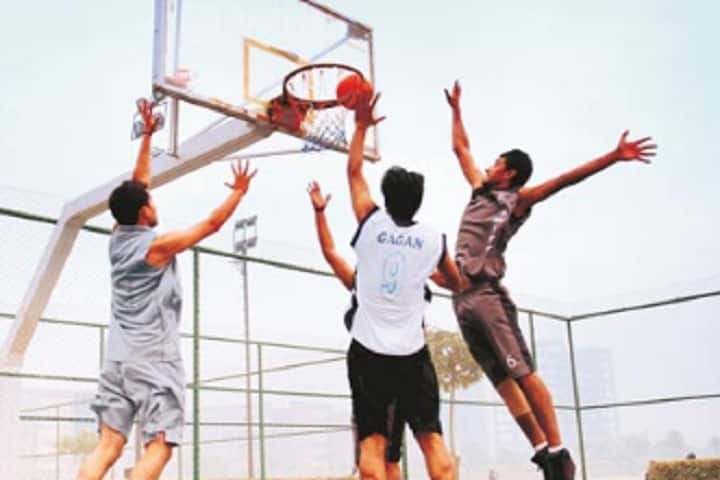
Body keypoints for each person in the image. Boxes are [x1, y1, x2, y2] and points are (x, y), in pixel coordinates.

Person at [443, 81, 656, 480]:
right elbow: (460, 148)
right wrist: (456, 109)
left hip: (487, 296)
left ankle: (560, 451)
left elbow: (564, 180)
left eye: (495, 163)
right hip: (461, 299)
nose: (488, 165)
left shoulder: (516, 200)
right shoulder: (478, 191)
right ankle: (542, 450)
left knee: (522, 372)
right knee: (501, 380)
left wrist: (613, 156)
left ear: (509, 173)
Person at [77, 99, 258, 480]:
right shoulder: (157, 248)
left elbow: (139, 183)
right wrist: (239, 192)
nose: (153, 200)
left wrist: (147, 135)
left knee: (107, 446)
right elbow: (210, 225)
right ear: (144, 211)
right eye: (151, 200)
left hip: (117, 361)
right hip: (154, 361)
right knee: (159, 445)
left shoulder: (117, 238)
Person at [345, 93, 463, 480]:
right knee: (432, 441)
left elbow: (354, 172)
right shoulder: (433, 239)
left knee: (373, 445)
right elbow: (456, 282)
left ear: (386, 197)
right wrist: (425, 271)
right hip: (412, 355)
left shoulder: (371, 221)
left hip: (368, 352)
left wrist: (361, 126)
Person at [307, 180, 407, 480]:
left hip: (388, 374)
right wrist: (320, 213)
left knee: (380, 459)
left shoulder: (395, 291)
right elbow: (330, 252)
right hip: (376, 376)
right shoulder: (361, 285)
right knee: (385, 459)